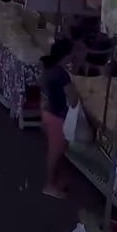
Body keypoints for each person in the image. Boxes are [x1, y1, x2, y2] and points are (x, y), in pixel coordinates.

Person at [39, 39, 77, 198]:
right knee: (55, 152)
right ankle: (49, 185)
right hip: (56, 117)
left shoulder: (47, 68)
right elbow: (73, 100)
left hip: (47, 113)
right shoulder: (62, 74)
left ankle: (56, 181)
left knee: (55, 150)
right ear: (66, 56)